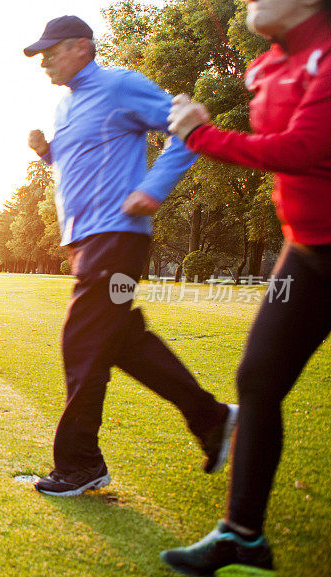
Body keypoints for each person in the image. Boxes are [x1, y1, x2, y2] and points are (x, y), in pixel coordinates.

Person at [23, 15, 237, 498]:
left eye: (50, 52)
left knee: (81, 344)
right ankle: (213, 419)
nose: (45, 62)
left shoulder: (120, 85)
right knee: (123, 343)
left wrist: (153, 188)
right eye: (40, 56)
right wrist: (47, 154)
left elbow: (188, 128)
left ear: (82, 47)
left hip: (116, 236)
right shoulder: (65, 107)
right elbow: (83, 160)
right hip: (86, 241)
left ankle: (80, 464)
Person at [162, 0, 331, 574]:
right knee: (257, 378)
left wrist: (202, 136)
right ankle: (243, 537)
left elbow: (303, 149)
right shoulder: (272, 65)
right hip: (307, 253)